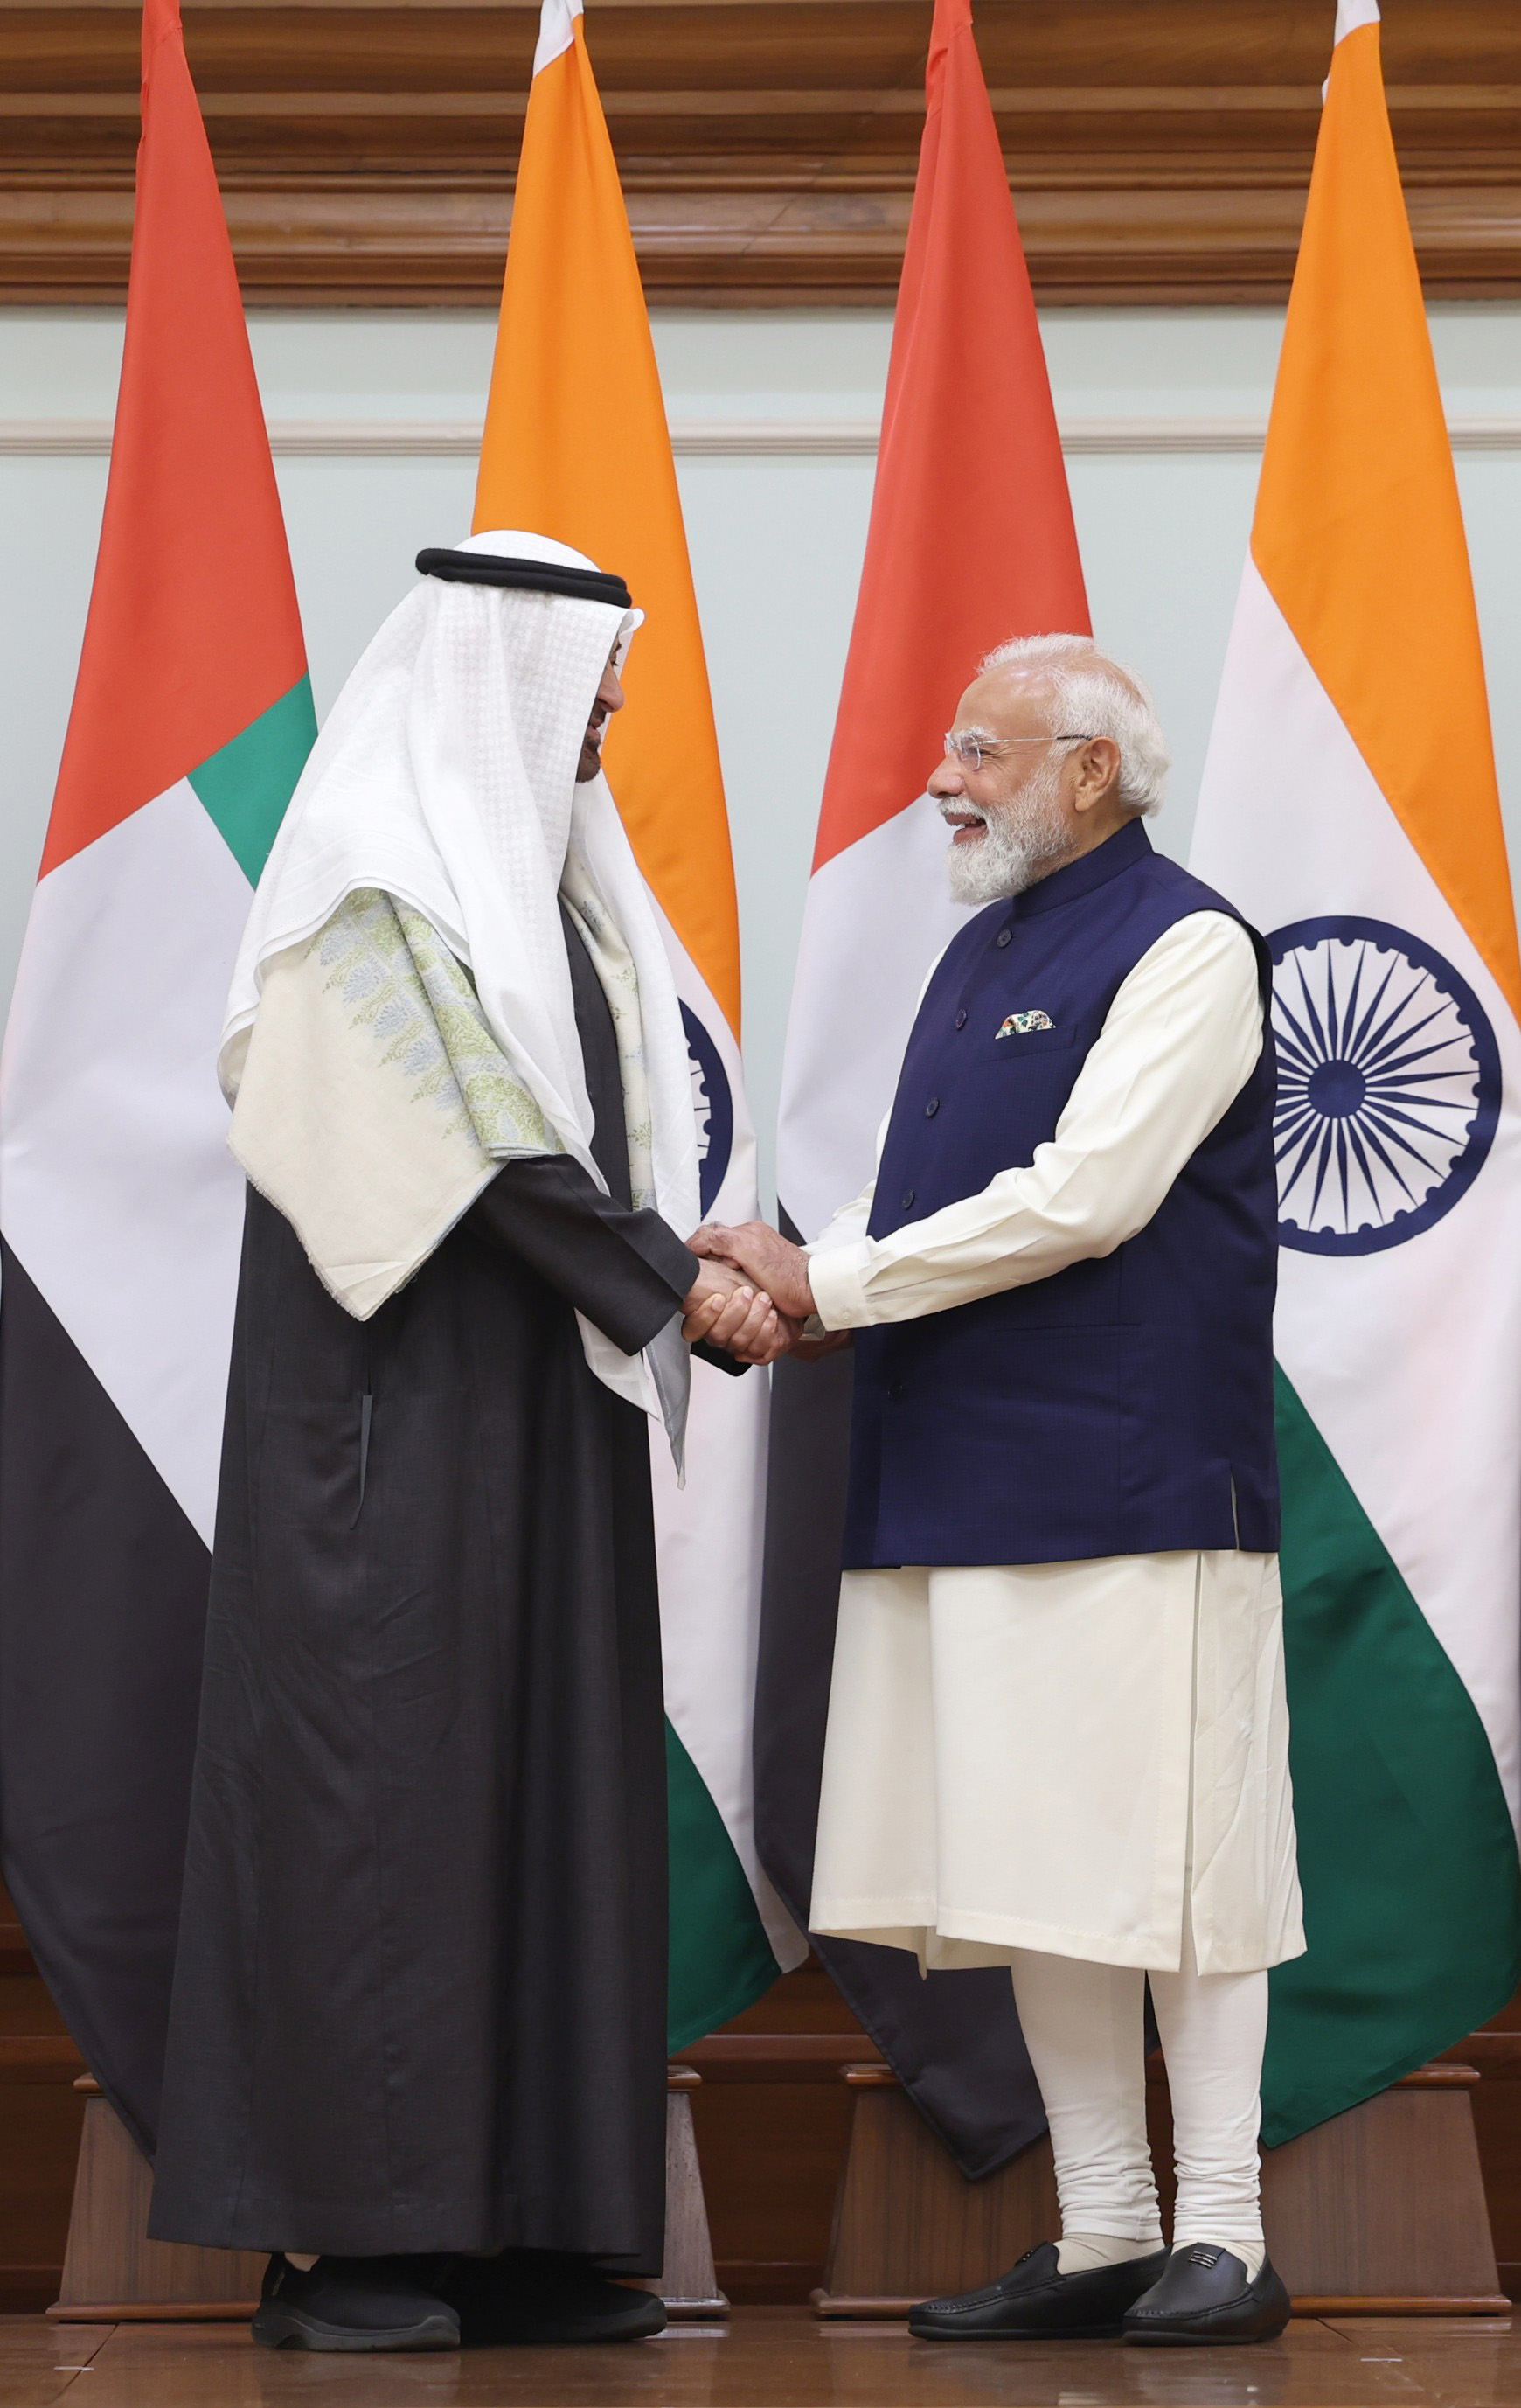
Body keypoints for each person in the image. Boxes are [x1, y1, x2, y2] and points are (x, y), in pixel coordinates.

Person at [148, 532, 785, 2353]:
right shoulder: (369, 890)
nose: (602, 727)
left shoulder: (555, 897)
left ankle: (528, 2230)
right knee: (386, 1802)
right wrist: (679, 1287)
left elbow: (594, 1137)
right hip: (387, 1428)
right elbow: (484, 1142)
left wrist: (682, 1267)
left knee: (551, 1791)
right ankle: (346, 2248)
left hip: (544, 1415)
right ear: (498, 679)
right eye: (589, 694)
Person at [694, 633, 1303, 2348]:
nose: (942, 780)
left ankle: (1228, 2233)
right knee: (1041, 1861)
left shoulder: (1189, 942)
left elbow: (1089, 1197)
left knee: (1181, 1859)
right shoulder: (981, 948)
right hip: (958, 1476)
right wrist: (808, 1287)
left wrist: (828, 1284)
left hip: (1134, 1485)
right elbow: (926, 1209)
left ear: (1093, 770)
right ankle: (1106, 2230)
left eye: (980, 750)